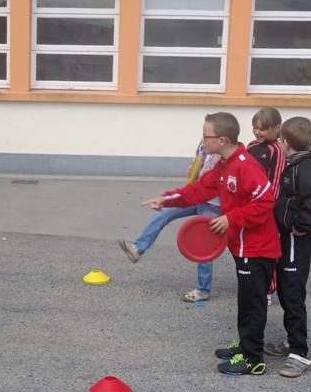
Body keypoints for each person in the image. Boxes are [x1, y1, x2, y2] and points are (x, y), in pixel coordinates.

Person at [141, 112, 280, 376]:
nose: (203, 140)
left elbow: (265, 201)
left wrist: (230, 218)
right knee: (246, 300)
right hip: (242, 246)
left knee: (253, 303)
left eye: (206, 136)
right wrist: (166, 199)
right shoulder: (225, 165)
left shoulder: (245, 165)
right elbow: (199, 190)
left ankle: (253, 359)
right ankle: (246, 344)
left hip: (258, 247)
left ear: (223, 140)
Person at [119, 139, 221, 303]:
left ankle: (203, 290)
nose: (205, 138)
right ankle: (138, 248)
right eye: (204, 134)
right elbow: (196, 167)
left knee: (204, 246)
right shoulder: (203, 145)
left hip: (213, 205)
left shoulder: (224, 153)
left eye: (208, 135)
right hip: (196, 196)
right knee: (163, 214)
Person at [264, 117, 311, 378]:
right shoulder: (294, 166)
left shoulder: (306, 169)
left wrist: (303, 225)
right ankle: (291, 341)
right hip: (285, 239)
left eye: (280, 140)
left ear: (286, 143)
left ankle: (299, 352)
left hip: (295, 242)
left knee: (292, 294)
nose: (279, 144)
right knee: (285, 291)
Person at [246, 107, 287, 305]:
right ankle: (252, 281)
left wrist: (266, 206)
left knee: (266, 250)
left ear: (276, 128)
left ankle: (268, 289)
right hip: (249, 205)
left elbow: (276, 182)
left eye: (262, 129)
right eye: (255, 128)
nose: (257, 132)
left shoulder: (277, 151)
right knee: (251, 246)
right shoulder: (251, 146)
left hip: (266, 208)